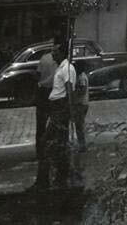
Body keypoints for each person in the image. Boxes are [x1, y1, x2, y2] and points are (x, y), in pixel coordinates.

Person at [46, 42, 76, 189]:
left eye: (55, 51)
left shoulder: (68, 69)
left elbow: (69, 91)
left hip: (61, 107)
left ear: (62, 53)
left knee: (56, 140)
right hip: (56, 107)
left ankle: (61, 175)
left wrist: (69, 111)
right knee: (55, 141)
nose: (52, 54)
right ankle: (59, 174)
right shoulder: (61, 67)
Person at [31, 42, 58, 190]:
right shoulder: (59, 60)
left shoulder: (43, 59)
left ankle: (39, 151)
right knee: (53, 124)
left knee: (40, 125)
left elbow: (38, 74)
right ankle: (52, 149)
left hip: (43, 92)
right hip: (54, 91)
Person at [72, 68, 89, 153]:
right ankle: (81, 145)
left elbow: (82, 90)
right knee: (79, 125)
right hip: (82, 103)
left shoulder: (81, 78)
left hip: (81, 104)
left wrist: (74, 93)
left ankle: (82, 146)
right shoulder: (82, 76)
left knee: (79, 126)